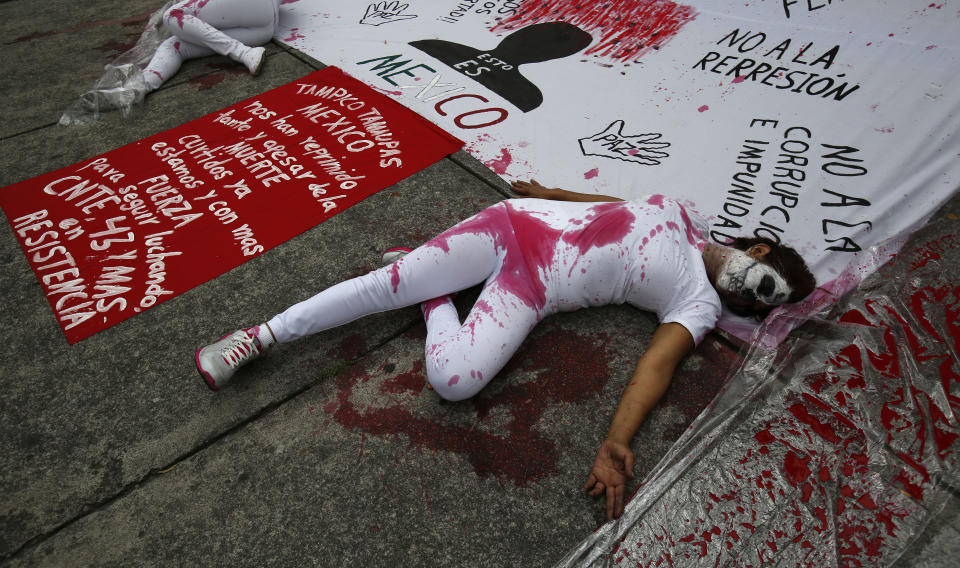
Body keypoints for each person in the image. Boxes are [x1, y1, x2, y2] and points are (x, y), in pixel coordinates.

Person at [195, 180, 815, 520]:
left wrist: (617, 440)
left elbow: (656, 367)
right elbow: (607, 207)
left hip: (534, 286)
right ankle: (260, 336)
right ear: (757, 251)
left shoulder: (698, 304)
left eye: (760, 307)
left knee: (455, 381)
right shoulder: (678, 210)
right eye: (763, 287)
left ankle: (434, 299)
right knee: (387, 285)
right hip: (513, 222)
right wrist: (547, 190)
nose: (750, 301)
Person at [99, 0, 295, 110]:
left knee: (174, 15)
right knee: (175, 45)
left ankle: (243, 52)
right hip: (264, 28)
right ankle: (142, 86)